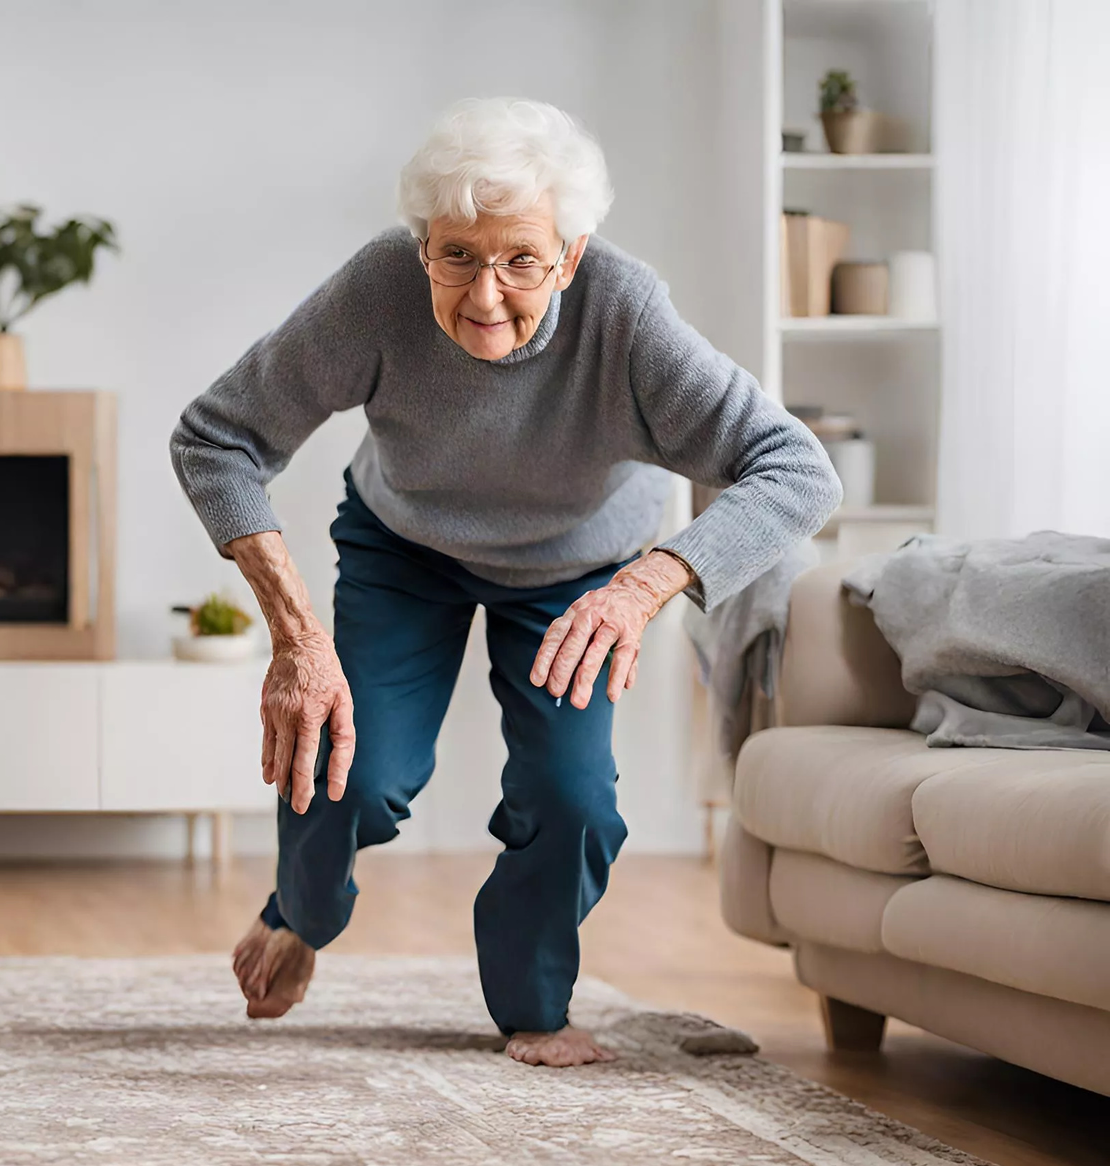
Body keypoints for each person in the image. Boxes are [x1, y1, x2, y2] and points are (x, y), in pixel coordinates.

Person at [171, 97, 840, 1066]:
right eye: (456, 256)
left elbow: (794, 466)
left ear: (569, 256)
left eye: (520, 259)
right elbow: (215, 435)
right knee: (344, 768)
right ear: (421, 248)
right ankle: (298, 911)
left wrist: (644, 585)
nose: (485, 293)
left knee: (570, 799)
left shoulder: (625, 311)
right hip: (405, 548)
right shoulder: (375, 293)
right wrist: (296, 636)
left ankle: (533, 1004)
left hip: (579, 573)